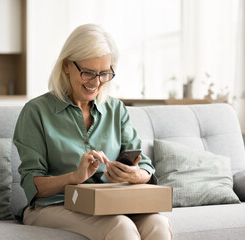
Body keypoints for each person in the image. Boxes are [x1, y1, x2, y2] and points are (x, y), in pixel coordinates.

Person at [13, 23, 173, 240]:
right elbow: (32, 185)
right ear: (67, 65)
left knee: (158, 224)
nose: (96, 83)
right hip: (52, 207)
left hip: (110, 203)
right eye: (88, 73)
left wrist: (139, 175)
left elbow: (142, 162)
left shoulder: (116, 109)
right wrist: (74, 177)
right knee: (120, 226)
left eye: (104, 73)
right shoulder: (37, 111)